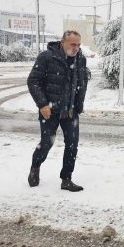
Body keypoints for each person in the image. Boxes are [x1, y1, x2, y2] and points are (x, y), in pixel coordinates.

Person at [26, 30, 88, 192]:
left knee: (72, 145)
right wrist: (42, 104)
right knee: (47, 143)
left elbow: (82, 82)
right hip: (50, 110)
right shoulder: (47, 57)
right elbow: (33, 81)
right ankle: (35, 166)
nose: (76, 48)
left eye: (78, 45)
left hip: (70, 111)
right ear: (63, 42)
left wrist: (78, 105)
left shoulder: (81, 59)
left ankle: (66, 179)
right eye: (73, 44)